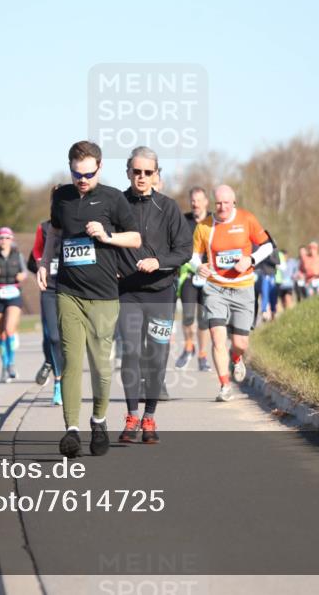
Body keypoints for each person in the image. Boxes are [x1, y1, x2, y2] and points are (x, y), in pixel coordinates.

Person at [36, 141, 141, 458]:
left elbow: (135, 238)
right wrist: (43, 262)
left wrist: (106, 236)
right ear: (70, 168)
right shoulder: (62, 198)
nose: (82, 180)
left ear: (100, 168)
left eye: (88, 174)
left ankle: (98, 420)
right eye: (77, 173)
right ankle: (71, 430)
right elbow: (54, 233)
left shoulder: (113, 199)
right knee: (70, 361)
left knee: (101, 366)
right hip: (68, 292)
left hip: (104, 296)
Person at [115, 147, 191, 444]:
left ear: (157, 174)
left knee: (156, 357)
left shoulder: (169, 208)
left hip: (161, 294)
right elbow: (105, 244)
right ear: (128, 173)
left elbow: (184, 250)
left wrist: (159, 262)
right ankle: (132, 415)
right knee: (131, 352)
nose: (142, 177)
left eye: (148, 172)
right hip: (128, 294)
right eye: (137, 172)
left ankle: (149, 416)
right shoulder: (117, 204)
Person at [191, 185, 273, 402]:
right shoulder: (204, 227)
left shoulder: (247, 219)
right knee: (218, 339)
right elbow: (192, 255)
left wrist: (251, 259)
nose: (222, 207)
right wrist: (197, 267)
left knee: (240, 343)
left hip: (243, 287)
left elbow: (268, 246)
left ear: (234, 203)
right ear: (213, 203)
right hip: (215, 288)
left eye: (226, 203)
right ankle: (225, 386)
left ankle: (236, 358)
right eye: (218, 203)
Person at [174, 187, 212, 372]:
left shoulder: (213, 221)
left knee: (204, 319)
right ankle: (189, 346)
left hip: (209, 276)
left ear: (206, 201)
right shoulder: (183, 220)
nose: (195, 204)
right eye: (193, 201)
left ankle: (203, 355)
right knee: (188, 316)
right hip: (189, 274)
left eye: (199, 200)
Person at [0, 226, 27, 382]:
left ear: (11, 240)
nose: (4, 241)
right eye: (1, 238)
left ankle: (12, 364)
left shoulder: (18, 255)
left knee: (9, 330)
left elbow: (25, 272)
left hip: (13, 294)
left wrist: (22, 276)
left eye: (7, 238)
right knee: (1, 333)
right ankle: (5, 365)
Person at [31, 207, 64, 405]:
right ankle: (58, 382)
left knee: (68, 338)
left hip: (71, 287)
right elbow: (36, 249)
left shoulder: (77, 223)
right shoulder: (44, 227)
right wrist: (40, 263)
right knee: (53, 336)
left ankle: (61, 377)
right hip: (50, 287)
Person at [254, 248, 278, 324]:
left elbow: (277, 261)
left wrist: (267, 257)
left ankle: (273, 313)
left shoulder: (274, 250)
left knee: (273, 295)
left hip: (272, 275)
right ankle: (264, 312)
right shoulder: (260, 249)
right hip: (263, 275)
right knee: (264, 294)